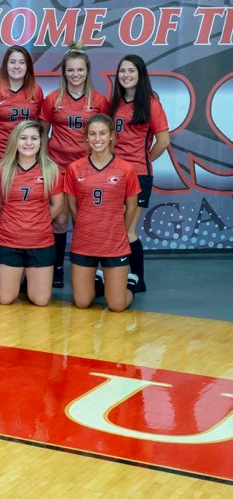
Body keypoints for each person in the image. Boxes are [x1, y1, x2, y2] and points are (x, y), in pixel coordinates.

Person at [39, 42, 108, 288]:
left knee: (86, 220)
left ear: (87, 71)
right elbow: (42, 136)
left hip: (86, 170)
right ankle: (57, 268)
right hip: (58, 167)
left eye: (80, 70)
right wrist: (46, 165)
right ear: (64, 72)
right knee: (58, 219)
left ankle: (93, 272)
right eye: (70, 70)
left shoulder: (99, 101)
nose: (75, 75)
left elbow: (105, 137)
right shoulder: (52, 100)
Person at [0, 45, 43, 287]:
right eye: (12, 62)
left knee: (19, 210)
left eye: (21, 63)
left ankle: (19, 265)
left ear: (28, 67)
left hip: (25, 161)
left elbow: (38, 130)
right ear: (5, 65)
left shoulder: (36, 92)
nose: (16, 67)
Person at [64, 114, 140, 312]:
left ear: (111, 136)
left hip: (114, 243)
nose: (97, 139)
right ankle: (98, 281)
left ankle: (129, 285)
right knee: (82, 303)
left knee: (116, 305)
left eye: (102, 134)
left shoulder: (126, 169)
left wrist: (119, 231)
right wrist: (83, 223)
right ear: (86, 138)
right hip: (84, 242)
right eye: (93, 134)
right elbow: (72, 205)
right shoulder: (74, 168)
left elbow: (131, 206)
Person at [108, 55, 170, 293]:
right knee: (115, 228)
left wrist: (141, 164)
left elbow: (163, 141)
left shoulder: (151, 103)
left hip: (138, 176)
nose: (125, 75)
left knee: (127, 229)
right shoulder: (116, 103)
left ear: (140, 74)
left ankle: (137, 279)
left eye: (131, 71)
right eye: (122, 71)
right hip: (113, 176)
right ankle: (117, 277)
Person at [0, 121, 64, 306]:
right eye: (23, 138)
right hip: (8, 241)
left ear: (41, 142)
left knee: (40, 301)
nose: (28, 143)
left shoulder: (51, 170)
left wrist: (39, 223)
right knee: (5, 299)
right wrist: (6, 221)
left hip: (41, 242)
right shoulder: (2, 169)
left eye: (34, 138)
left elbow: (58, 205)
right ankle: (5, 282)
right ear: (15, 141)